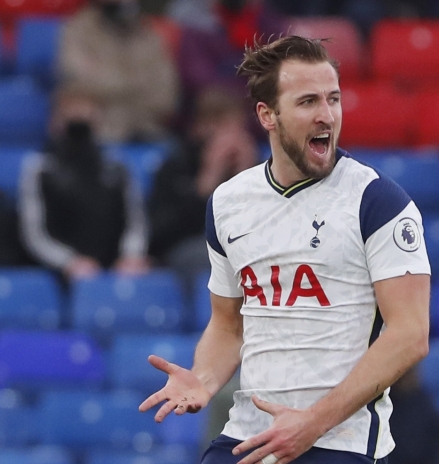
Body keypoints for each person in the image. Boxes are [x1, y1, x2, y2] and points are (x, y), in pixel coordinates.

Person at [138, 36, 431, 464]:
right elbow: (228, 323)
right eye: (309, 102)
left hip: (338, 448)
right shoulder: (229, 204)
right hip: (249, 439)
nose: (327, 115)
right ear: (267, 115)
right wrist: (204, 378)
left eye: (334, 99)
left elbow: (410, 335)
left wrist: (310, 424)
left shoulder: (377, 201)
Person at [18, 86, 149, 280]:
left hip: (116, 268)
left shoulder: (118, 166)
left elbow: (135, 222)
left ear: (98, 121)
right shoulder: (40, 168)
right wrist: (68, 262)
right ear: (55, 122)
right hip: (59, 272)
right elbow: (35, 233)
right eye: (71, 118)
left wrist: (130, 256)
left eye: (86, 118)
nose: (79, 127)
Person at [147, 86, 259, 289]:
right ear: (199, 127)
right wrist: (207, 180)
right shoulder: (175, 165)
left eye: (235, 127)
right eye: (220, 126)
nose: (229, 138)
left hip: (245, 245)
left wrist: (248, 174)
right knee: (215, 258)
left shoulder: (258, 167)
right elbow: (159, 236)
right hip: (188, 247)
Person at [58, 0, 179, 143]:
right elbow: (81, 80)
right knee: (79, 110)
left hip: (145, 125)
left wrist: (115, 89)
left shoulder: (149, 36)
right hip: (99, 124)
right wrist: (135, 87)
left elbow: (166, 96)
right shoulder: (78, 29)